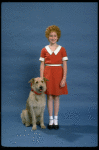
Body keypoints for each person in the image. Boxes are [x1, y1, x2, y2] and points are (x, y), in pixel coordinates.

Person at [39, 25, 68, 129]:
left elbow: (64, 64)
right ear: (48, 37)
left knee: (56, 97)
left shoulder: (62, 49)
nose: (53, 37)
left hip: (58, 74)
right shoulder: (44, 49)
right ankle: (50, 119)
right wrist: (41, 79)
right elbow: (42, 65)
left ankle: (56, 119)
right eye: (51, 36)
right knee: (49, 96)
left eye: (55, 36)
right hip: (48, 75)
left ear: (57, 37)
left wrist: (64, 78)